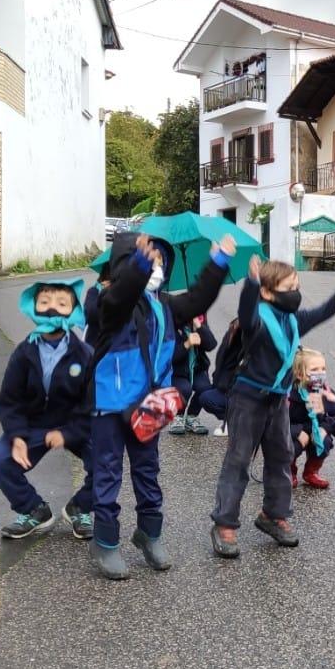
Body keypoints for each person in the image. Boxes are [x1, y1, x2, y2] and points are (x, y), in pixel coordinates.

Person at [87, 232, 233, 580]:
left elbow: (198, 299)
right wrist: (138, 264)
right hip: (109, 405)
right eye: (149, 261)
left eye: (159, 263)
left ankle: (149, 535)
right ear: (124, 265)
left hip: (149, 406)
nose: (157, 267)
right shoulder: (110, 301)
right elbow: (121, 295)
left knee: (147, 471)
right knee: (108, 473)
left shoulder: (165, 305)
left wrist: (217, 264)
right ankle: (105, 543)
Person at [209, 257, 335, 559]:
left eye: (297, 286)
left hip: (277, 400)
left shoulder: (294, 320)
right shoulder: (256, 321)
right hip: (248, 399)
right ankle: (224, 523)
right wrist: (251, 284)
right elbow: (245, 311)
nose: (296, 291)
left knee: (281, 457)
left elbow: (325, 311)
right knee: (238, 462)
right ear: (268, 292)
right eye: (289, 287)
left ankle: (273, 515)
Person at [0, 279, 95, 540]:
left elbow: (90, 404)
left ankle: (81, 507)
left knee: (107, 460)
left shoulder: (84, 353)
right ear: (33, 307)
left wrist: (67, 434)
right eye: (44, 302)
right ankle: (33, 509)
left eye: (61, 303)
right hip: (34, 424)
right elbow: (10, 401)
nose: (52, 309)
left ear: (73, 309)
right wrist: (18, 436)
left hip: (73, 424)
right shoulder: (24, 352)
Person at [287, 348, 335, 489]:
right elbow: (274, 420)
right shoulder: (288, 394)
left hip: (314, 430)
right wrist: (296, 431)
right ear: (299, 373)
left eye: (323, 369)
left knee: (324, 440)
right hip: (293, 432)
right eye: (314, 369)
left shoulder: (325, 392)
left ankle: (311, 471)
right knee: (289, 444)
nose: (320, 373)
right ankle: (288, 470)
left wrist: (324, 428)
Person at [167, 315, 218, 435]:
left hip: (197, 369)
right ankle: (177, 417)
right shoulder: (172, 325)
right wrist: (187, 344)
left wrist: (199, 327)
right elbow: (169, 357)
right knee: (185, 389)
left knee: (205, 389)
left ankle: (192, 416)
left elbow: (211, 345)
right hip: (177, 372)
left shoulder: (198, 322)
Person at [204, 318, 242, 437]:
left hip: (241, 392)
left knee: (208, 397)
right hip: (226, 385)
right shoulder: (231, 335)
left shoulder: (247, 343)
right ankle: (233, 420)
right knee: (205, 394)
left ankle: (234, 422)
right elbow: (221, 360)